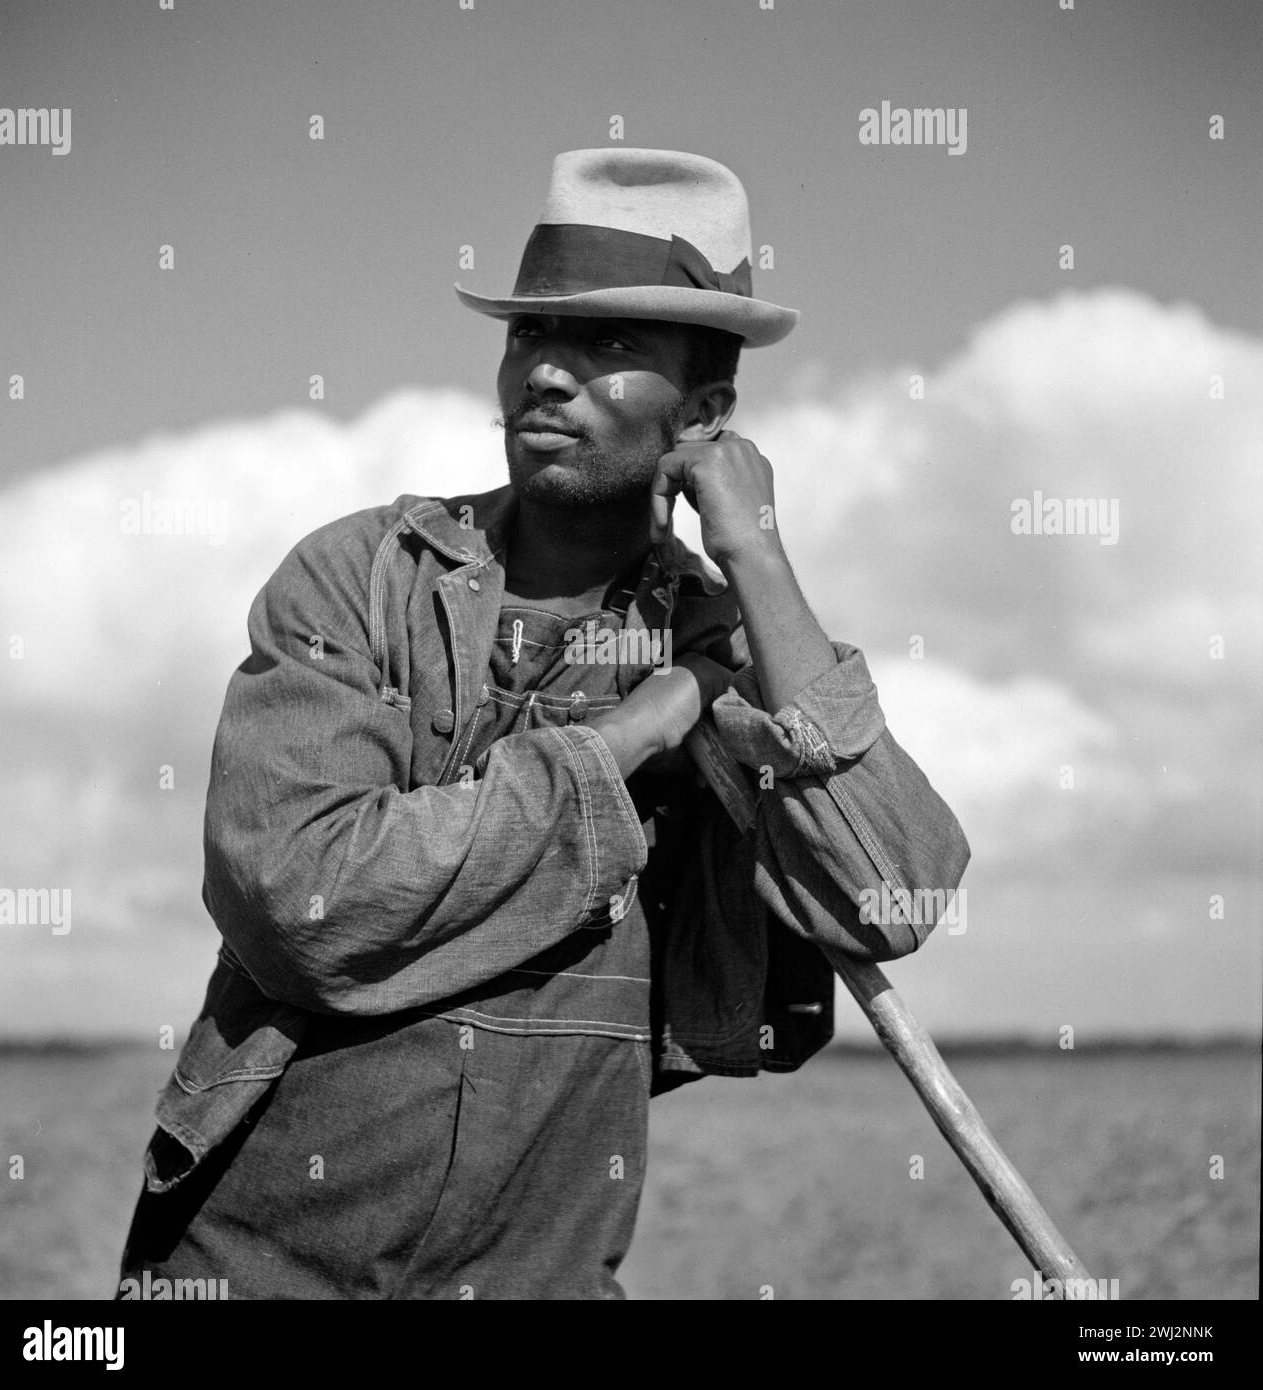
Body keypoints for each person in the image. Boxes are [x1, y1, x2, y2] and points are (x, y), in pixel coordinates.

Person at [116, 147, 969, 1301]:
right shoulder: (362, 579)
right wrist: (636, 736)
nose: (548, 374)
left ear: (706, 416)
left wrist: (757, 558)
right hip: (251, 1266)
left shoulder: (731, 640)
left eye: (613, 348)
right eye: (532, 336)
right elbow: (301, 898)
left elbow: (891, 894)